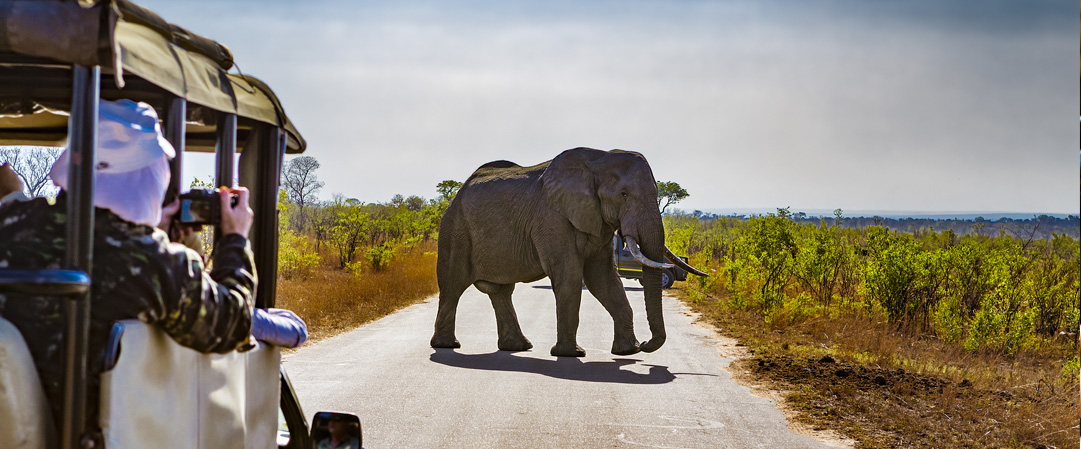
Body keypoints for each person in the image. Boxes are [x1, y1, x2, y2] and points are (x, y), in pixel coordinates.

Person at [0, 99, 304, 438]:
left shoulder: (10, 224)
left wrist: (152, 233)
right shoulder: (156, 263)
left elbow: (95, 240)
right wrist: (234, 240)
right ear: (150, 175)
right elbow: (231, 322)